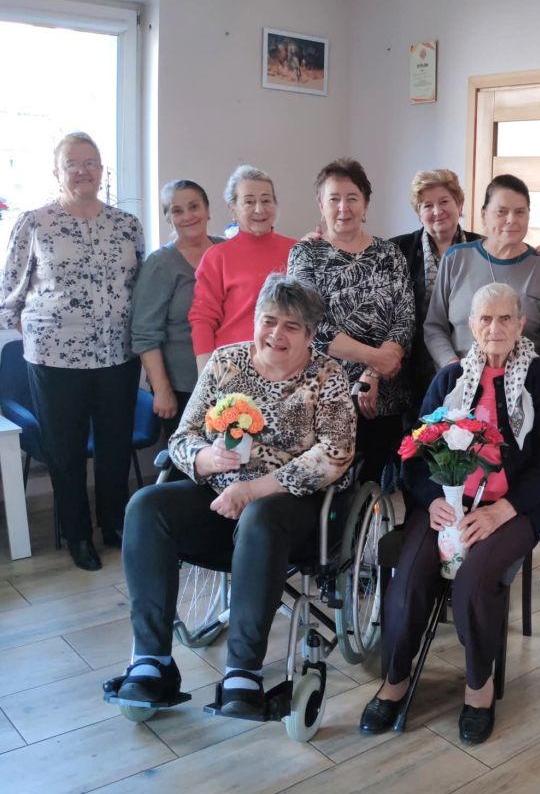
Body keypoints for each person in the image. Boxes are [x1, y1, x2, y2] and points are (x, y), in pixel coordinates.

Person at [115, 274, 355, 716]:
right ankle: (151, 660)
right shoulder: (226, 362)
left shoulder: (329, 376)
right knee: (145, 505)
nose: (276, 334)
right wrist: (204, 458)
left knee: (260, 516)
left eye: (291, 327)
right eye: (269, 321)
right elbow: (183, 435)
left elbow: (335, 454)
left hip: (289, 509)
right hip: (218, 498)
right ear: (255, 320)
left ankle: (243, 671)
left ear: (310, 335)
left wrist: (254, 490)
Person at [362, 283, 540, 745]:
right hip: (445, 506)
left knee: (473, 582)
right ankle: (395, 679)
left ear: (521, 324)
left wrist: (503, 511)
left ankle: (479, 687)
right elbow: (415, 452)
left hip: (511, 510)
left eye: (505, 318)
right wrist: (432, 497)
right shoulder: (450, 379)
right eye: (485, 319)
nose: (495, 328)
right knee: (408, 579)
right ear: (471, 325)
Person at [0, 132, 144, 571]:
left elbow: (140, 288)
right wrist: (36, 333)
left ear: (102, 170)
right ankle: (78, 536)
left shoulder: (127, 225)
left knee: (115, 446)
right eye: (72, 164)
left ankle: (114, 525)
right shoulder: (35, 222)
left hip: (118, 355)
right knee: (65, 450)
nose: (82, 171)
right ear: (57, 172)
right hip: (55, 360)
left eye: (90, 163)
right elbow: (10, 293)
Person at [288, 158, 414, 483]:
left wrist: (374, 373)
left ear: (366, 204)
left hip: (384, 394)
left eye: (352, 198)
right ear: (321, 205)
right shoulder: (305, 254)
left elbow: (404, 318)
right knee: (327, 484)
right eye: (334, 199)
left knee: (374, 484)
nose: (343, 208)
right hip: (325, 392)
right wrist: (374, 359)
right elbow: (311, 326)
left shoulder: (390, 254)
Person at [423, 174, 540, 367]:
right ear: (484, 215)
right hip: (461, 376)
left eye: (520, 212)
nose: (511, 220)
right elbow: (434, 326)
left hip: (523, 380)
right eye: (501, 212)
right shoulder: (455, 259)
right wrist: (453, 368)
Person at [131, 180, 224, 439]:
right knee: (190, 459)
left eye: (194, 206)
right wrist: (162, 389)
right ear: (168, 219)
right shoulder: (160, 264)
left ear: (208, 210)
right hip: (183, 387)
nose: (188, 216)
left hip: (230, 381)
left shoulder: (226, 251)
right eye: (177, 211)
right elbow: (145, 333)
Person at [388, 169, 482, 410]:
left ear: (459, 204)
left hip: (470, 368)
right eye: (427, 205)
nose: (437, 211)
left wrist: (538, 252)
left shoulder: (483, 248)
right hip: (411, 372)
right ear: (419, 214)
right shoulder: (396, 250)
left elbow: (514, 257)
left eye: (444, 202)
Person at [189, 165, 295, 371]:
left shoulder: (296, 251)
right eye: (249, 202)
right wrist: (206, 375)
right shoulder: (217, 257)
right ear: (233, 209)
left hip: (287, 365)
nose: (259, 209)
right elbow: (202, 319)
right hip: (233, 365)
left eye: (266, 200)